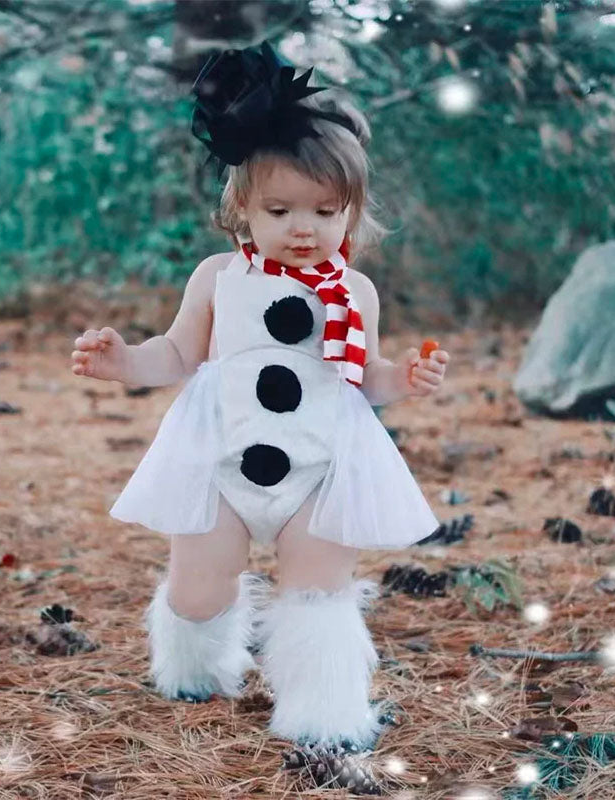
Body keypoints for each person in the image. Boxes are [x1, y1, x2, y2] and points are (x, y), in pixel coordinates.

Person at [71, 40, 450, 752]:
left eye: (324, 211)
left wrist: (405, 378)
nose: (303, 228)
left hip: (319, 469)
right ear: (243, 207)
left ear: (351, 214)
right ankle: (194, 664)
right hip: (221, 461)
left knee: (318, 591)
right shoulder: (219, 278)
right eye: (280, 210)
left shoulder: (355, 293)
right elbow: (178, 354)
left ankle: (325, 713)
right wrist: (125, 362)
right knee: (198, 593)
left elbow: (362, 378)